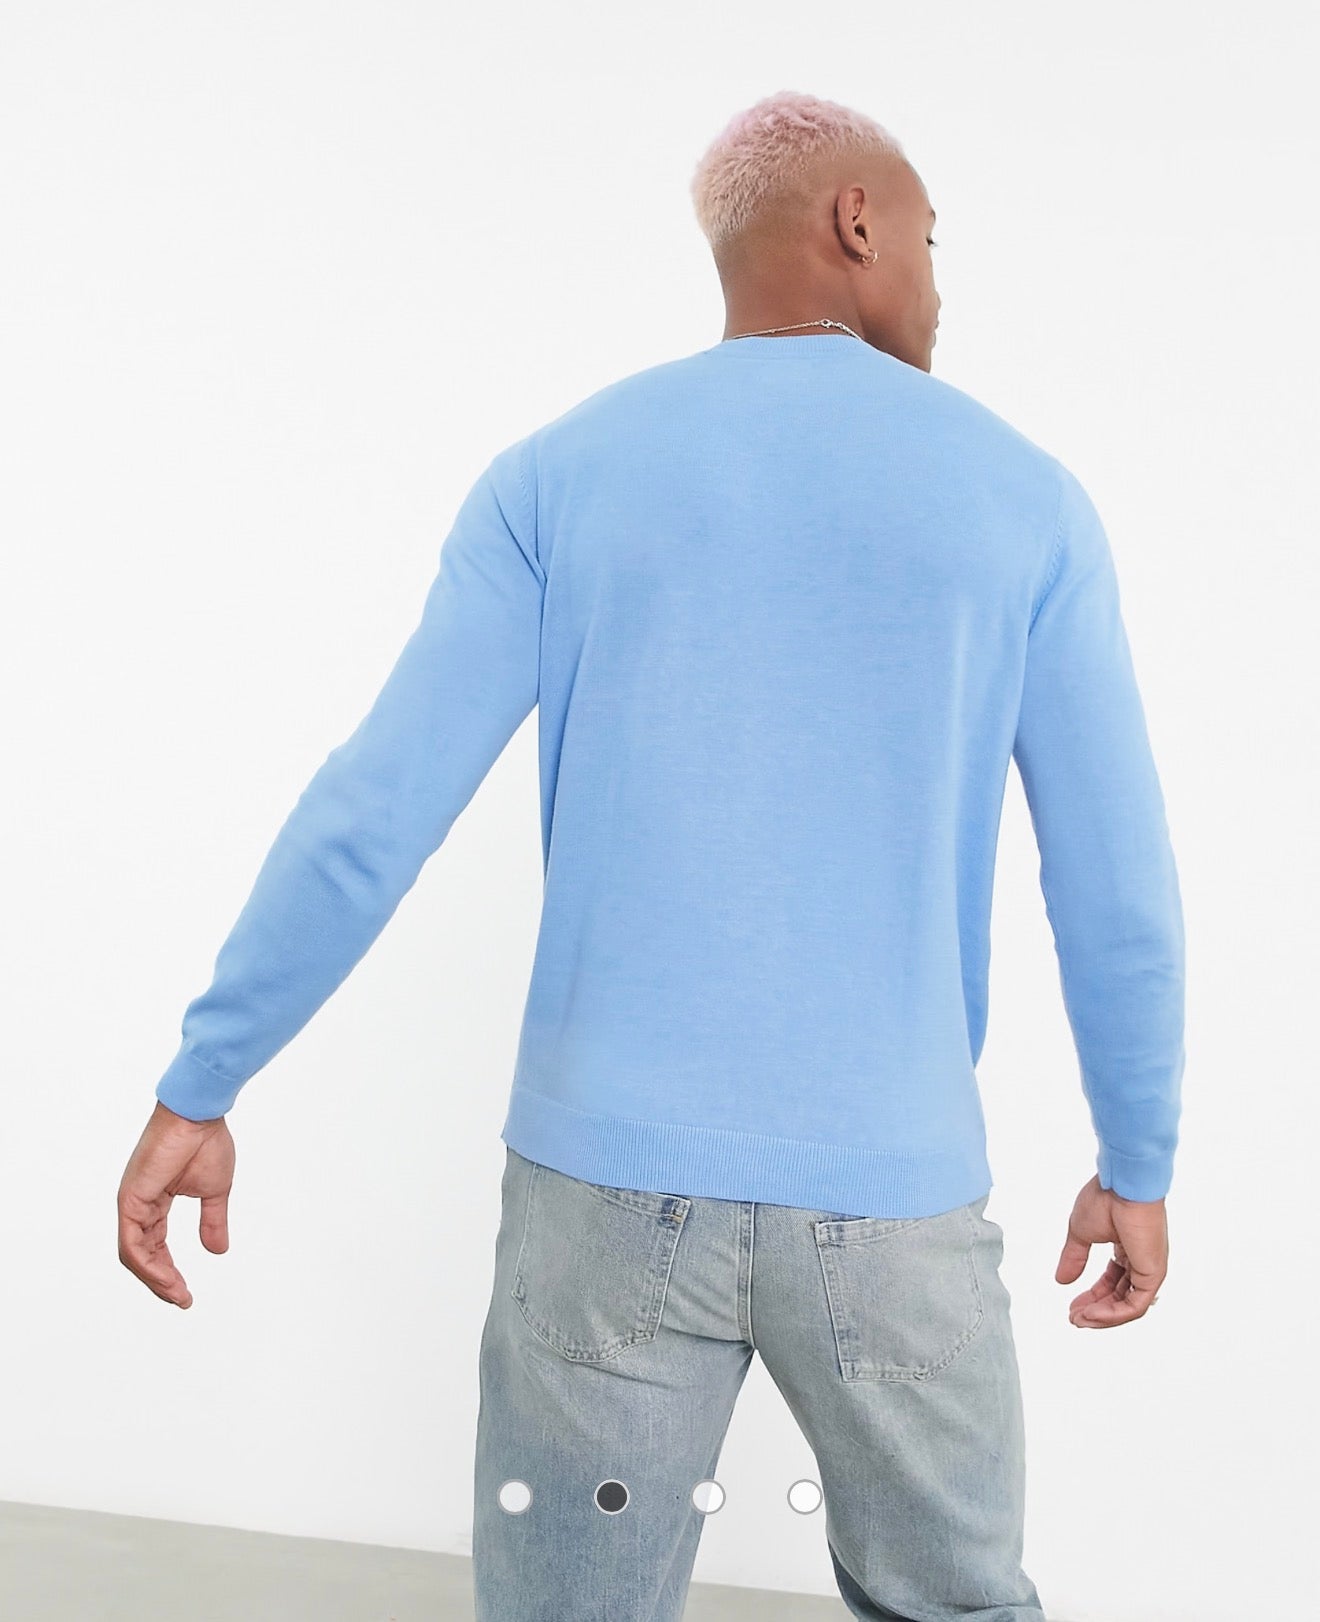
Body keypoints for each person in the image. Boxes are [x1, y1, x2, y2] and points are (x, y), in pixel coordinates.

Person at [119, 89, 1184, 1620]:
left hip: (603, 1198)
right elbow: (1115, 888)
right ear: (858, 220)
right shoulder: (1027, 501)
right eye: (932, 239)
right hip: (895, 1204)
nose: (940, 284)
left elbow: (374, 812)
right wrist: (1137, 1163)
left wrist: (202, 1081)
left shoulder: (560, 474)